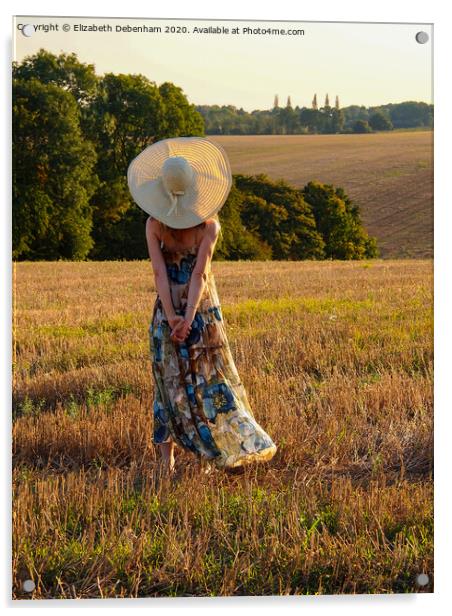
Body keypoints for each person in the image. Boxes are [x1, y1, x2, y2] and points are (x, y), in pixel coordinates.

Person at [127, 136, 277, 478]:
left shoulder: (153, 224)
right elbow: (200, 273)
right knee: (211, 380)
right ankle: (222, 448)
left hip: (166, 313)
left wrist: (172, 315)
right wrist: (190, 317)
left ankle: (166, 462)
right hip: (203, 312)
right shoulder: (209, 225)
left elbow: (159, 273)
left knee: (167, 385)